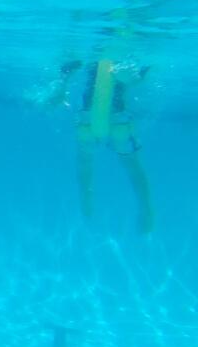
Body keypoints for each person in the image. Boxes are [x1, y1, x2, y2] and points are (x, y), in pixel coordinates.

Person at [52, 59, 154, 234]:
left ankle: (86, 204)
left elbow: (68, 68)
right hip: (118, 120)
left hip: (87, 119)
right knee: (131, 164)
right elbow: (138, 77)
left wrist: (62, 87)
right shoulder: (127, 58)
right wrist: (139, 74)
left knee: (85, 161)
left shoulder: (92, 58)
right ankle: (146, 210)